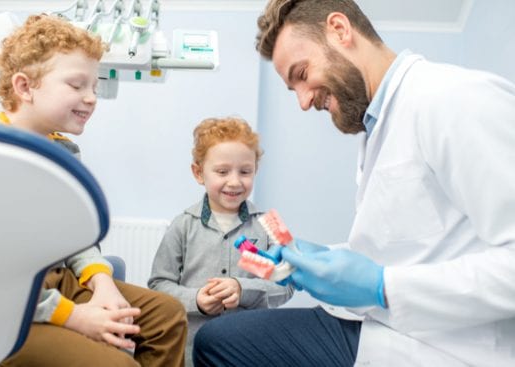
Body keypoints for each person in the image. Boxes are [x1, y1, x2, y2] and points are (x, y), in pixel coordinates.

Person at [192, 0, 515, 366]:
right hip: (382, 324)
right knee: (219, 338)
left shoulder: (453, 98)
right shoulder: (377, 125)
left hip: (446, 346)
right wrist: (321, 259)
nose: (303, 101)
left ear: (340, 30)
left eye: (302, 73)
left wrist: (383, 286)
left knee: (220, 342)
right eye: (292, 89)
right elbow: (418, 241)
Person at [0, 14, 187, 367]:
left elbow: (74, 236)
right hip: (3, 307)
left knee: (166, 317)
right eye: (77, 85)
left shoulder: (65, 151)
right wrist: (75, 317)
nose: (92, 98)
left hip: (55, 282)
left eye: (95, 87)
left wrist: (102, 282)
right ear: (24, 87)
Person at [148, 117, 294, 365]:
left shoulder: (272, 224)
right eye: (222, 171)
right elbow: (158, 285)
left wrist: (243, 289)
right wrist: (195, 300)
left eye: (245, 171)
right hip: (191, 350)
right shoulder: (182, 225)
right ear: (198, 173)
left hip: (248, 349)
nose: (235, 181)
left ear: (255, 171)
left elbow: (287, 284)